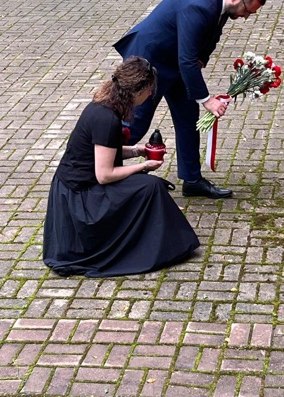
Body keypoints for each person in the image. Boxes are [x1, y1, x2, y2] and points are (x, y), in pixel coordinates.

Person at [113, 0, 268, 199]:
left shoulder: (222, 2)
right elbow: (186, 60)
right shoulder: (199, 5)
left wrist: (202, 58)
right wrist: (207, 100)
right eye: (247, 11)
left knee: (188, 118)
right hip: (149, 60)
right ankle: (101, 171)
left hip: (175, 61)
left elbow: (211, 35)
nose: (245, 17)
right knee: (135, 124)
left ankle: (192, 180)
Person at [43, 56, 200, 278]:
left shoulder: (103, 106)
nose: (151, 95)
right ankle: (157, 249)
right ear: (138, 90)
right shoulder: (107, 119)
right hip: (81, 200)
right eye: (150, 90)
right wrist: (144, 166)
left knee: (146, 185)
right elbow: (105, 175)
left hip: (72, 189)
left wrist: (137, 151)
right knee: (151, 187)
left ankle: (153, 242)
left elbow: (105, 150)